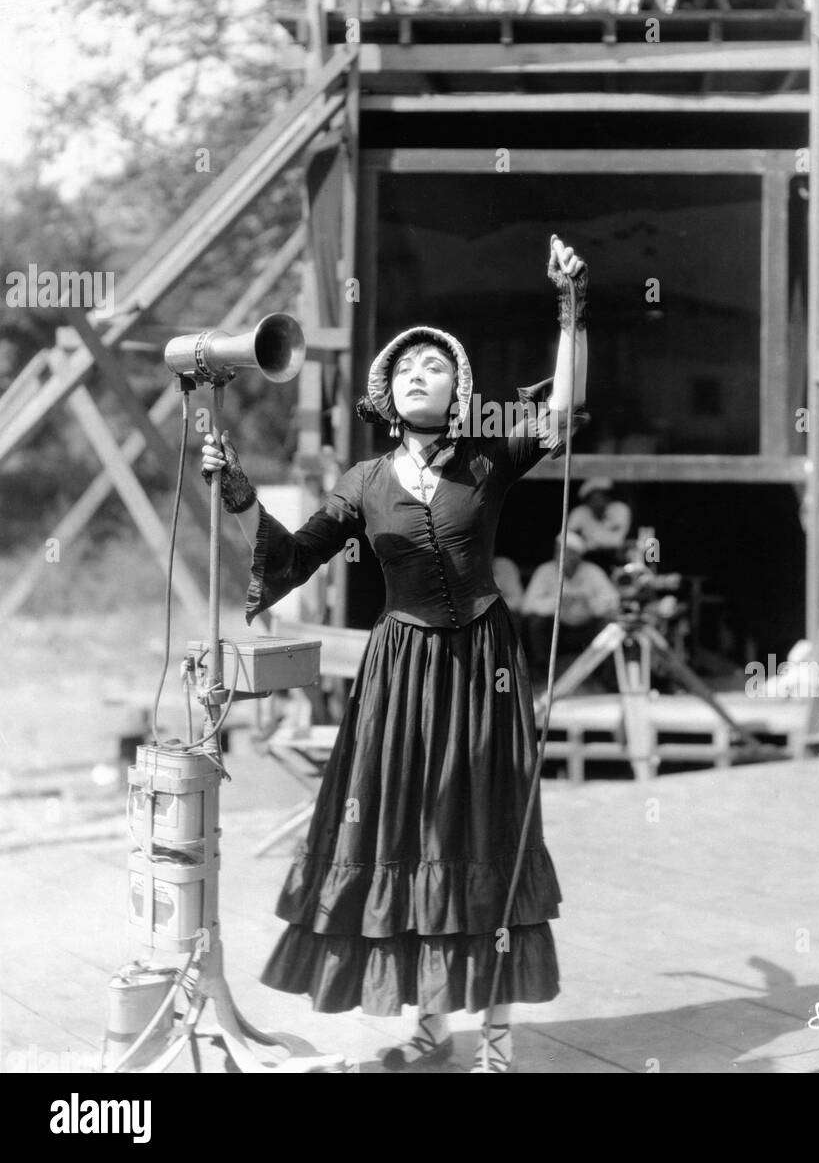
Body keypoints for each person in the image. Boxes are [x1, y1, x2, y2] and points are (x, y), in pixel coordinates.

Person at [201, 237, 589, 1075]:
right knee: (411, 834)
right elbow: (289, 556)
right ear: (388, 392)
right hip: (401, 678)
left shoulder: (487, 461)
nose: (419, 370)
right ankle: (430, 1026)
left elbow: (559, 415)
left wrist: (569, 310)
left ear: (457, 392)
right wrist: (236, 491)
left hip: (483, 670)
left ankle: (495, 1038)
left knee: (487, 832)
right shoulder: (364, 481)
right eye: (405, 364)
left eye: (435, 364)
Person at [522, 530, 620, 675]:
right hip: (557, 629)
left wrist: (588, 604)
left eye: (566, 552)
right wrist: (558, 603)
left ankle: (604, 673)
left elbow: (613, 602)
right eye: (558, 551)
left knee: (609, 624)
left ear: (577, 556)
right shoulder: (545, 571)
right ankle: (542, 671)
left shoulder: (593, 572)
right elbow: (527, 605)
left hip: (587, 627)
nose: (559, 556)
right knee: (536, 622)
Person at [567, 477, 632, 571]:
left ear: (608, 498)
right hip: (586, 561)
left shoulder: (620, 509)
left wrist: (589, 541)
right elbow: (568, 540)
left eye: (601, 496)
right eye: (594, 498)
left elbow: (616, 541)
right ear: (587, 501)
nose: (599, 502)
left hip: (616, 560)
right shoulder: (579, 513)